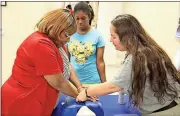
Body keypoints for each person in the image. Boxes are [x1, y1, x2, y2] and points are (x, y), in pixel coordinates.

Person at [76, 14, 180, 115]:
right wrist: (91, 88)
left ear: (126, 37)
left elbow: (113, 86)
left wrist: (86, 92)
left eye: (113, 36)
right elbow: (123, 80)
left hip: (165, 111)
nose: (110, 40)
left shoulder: (137, 57)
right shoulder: (147, 49)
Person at [1, 9, 86, 116]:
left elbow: (67, 65)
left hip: (37, 99)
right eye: (67, 35)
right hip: (23, 101)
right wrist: (80, 95)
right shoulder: (40, 44)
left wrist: (80, 87)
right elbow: (59, 82)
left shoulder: (57, 43)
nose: (68, 40)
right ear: (57, 29)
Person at [67, 2, 106, 84]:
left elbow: (100, 62)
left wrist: (104, 83)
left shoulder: (97, 36)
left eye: (83, 18)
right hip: (73, 82)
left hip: (93, 82)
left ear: (89, 17)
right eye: (77, 18)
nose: (80, 21)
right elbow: (66, 61)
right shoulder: (68, 35)